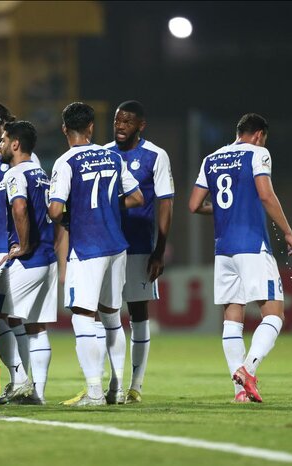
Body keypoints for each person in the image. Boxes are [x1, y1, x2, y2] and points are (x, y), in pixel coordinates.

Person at [189, 113, 292, 403]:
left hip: (223, 249)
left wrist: (226, 209)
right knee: (274, 314)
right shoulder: (258, 153)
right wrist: (288, 231)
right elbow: (265, 195)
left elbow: (193, 205)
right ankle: (248, 370)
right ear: (260, 134)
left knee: (232, 318)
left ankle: (240, 393)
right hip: (252, 245)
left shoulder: (210, 159)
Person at [48, 102, 143, 406]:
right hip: (117, 246)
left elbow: (54, 210)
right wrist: (106, 209)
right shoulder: (112, 156)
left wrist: (68, 216)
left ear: (65, 128)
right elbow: (137, 197)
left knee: (82, 317)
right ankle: (115, 389)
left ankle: (93, 391)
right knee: (112, 317)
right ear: (91, 128)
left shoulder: (65, 162)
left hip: (87, 248)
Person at [103, 101, 174, 404]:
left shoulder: (155, 156)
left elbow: (165, 203)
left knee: (138, 313)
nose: (120, 126)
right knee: (104, 315)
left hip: (140, 247)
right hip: (106, 246)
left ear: (140, 126)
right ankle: (108, 382)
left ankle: (136, 386)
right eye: (117, 120)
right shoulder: (103, 154)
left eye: (127, 122)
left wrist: (159, 251)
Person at [0, 102, 39, 404]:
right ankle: (20, 382)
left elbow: (27, 205)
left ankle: (23, 382)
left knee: (6, 317)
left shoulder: (23, 160)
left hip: (7, 251)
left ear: (5, 127)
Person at [0, 121, 59, 405]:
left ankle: (19, 378)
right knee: (36, 325)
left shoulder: (15, 173)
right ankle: (38, 394)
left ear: (15, 144)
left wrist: (22, 246)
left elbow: (19, 207)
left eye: (3, 140)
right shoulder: (41, 172)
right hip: (47, 258)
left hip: (30, 259)